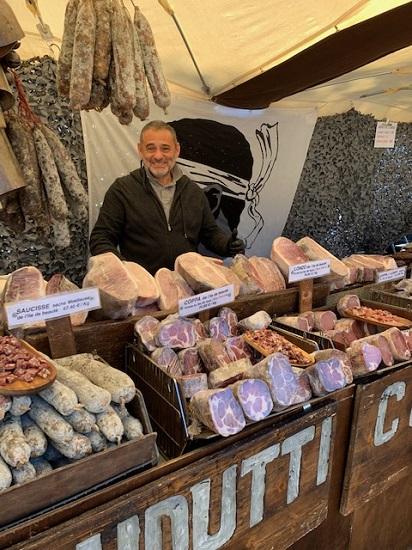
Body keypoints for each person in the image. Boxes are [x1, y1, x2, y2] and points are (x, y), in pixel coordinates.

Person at [89, 120, 245, 274]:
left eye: (165, 148)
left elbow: (210, 234)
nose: (158, 156)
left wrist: (228, 245)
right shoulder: (122, 190)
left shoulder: (193, 191)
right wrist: (125, 271)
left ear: (176, 150)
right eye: (150, 148)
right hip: (143, 286)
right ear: (140, 150)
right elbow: (101, 238)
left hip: (187, 283)